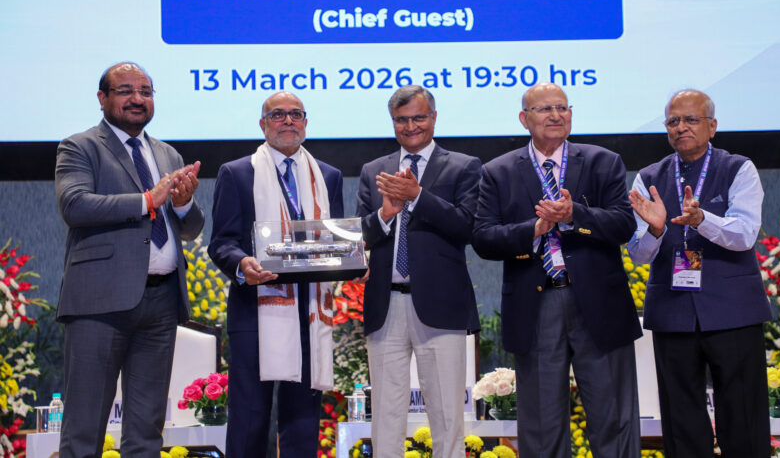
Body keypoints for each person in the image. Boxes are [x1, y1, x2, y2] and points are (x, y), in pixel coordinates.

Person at [472, 83, 642, 458]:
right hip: (537, 306)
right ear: (524, 119)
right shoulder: (498, 172)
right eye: (544, 109)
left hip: (598, 304)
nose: (555, 115)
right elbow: (483, 238)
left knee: (612, 417)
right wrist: (531, 229)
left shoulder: (603, 161)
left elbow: (623, 225)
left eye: (561, 108)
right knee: (541, 425)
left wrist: (574, 215)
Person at [55, 62, 204, 457]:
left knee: (146, 432)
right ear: (102, 98)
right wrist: (145, 201)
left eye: (146, 91)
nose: (138, 99)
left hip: (160, 304)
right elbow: (75, 204)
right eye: (125, 91)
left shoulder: (167, 153)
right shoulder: (80, 146)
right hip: (98, 305)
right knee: (84, 430)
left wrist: (184, 204)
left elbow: (188, 229)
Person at [627, 89, 772, 458]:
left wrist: (702, 219)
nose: (681, 127)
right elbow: (638, 254)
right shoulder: (648, 178)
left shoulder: (739, 168)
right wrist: (658, 229)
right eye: (673, 121)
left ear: (712, 126)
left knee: (742, 415)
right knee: (681, 419)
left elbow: (744, 235)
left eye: (691, 119)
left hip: (732, 310)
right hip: (673, 310)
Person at [208, 91, 344, 458]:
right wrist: (241, 264)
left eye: (295, 114)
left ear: (305, 122)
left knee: (303, 419)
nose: (287, 121)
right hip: (256, 310)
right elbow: (221, 242)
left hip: (311, 312)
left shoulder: (328, 177)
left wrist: (353, 261)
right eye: (278, 115)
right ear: (262, 124)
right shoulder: (237, 173)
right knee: (250, 418)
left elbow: (337, 241)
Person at [356, 85, 481, 458]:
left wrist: (418, 197)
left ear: (434, 118)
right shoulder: (373, 170)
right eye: (401, 120)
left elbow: (467, 227)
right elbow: (362, 233)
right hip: (385, 304)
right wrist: (385, 214)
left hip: (441, 307)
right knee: (387, 417)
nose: (410, 126)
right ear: (393, 123)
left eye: (418, 118)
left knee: (446, 415)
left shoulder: (463, 166)